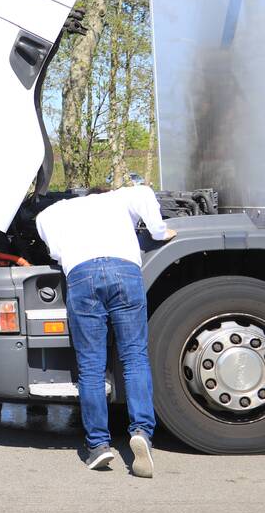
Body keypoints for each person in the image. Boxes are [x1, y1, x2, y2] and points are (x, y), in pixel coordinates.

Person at [36, 185, 176, 477]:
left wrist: (59, 253)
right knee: (135, 357)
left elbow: (42, 221)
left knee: (91, 368)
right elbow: (145, 194)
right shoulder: (120, 197)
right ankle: (141, 432)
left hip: (82, 275)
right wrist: (159, 231)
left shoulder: (61, 209)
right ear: (105, 192)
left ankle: (99, 446)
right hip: (124, 270)